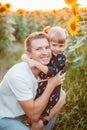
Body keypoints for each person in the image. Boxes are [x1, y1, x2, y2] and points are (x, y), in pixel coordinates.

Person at [0, 31, 65, 130]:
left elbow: (61, 98)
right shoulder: (18, 75)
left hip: (26, 113)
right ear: (29, 54)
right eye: (38, 49)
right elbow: (34, 115)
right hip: (5, 117)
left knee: (62, 94)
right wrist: (50, 85)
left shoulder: (49, 69)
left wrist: (42, 122)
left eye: (47, 47)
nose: (45, 53)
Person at [22, 26, 68, 116]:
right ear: (49, 43)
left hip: (54, 85)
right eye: (54, 45)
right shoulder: (49, 53)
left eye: (61, 46)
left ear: (65, 45)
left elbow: (52, 71)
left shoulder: (61, 57)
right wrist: (26, 58)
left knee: (49, 105)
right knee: (38, 101)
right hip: (44, 82)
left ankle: (43, 122)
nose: (57, 49)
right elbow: (27, 55)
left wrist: (36, 63)